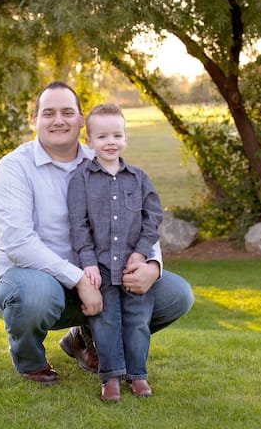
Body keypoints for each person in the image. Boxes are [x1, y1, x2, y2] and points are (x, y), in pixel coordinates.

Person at [0, 81, 194, 389]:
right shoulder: (15, 166)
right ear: (35, 120)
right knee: (37, 294)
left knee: (176, 294)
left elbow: (137, 219)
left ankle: (86, 339)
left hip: (100, 278)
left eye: (67, 112)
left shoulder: (103, 159)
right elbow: (18, 242)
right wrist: (79, 279)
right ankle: (31, 361)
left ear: (81, 120)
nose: (59, 120)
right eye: (49, 113)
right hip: (31, 279)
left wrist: (151, 263)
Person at [67, 103, 164, 402]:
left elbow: (153, 217)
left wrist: (142, 253)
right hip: (100, 267)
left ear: (125, 138)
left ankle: (137, 375)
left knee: (137, 321)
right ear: (89, 140)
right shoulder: (81, 179)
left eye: (117, 135)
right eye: (102, 136)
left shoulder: (139, 178)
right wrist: (87, 263)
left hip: (132, 267)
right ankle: (110, 377)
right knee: (106, 322)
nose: (111, 142)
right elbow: (79, 225)